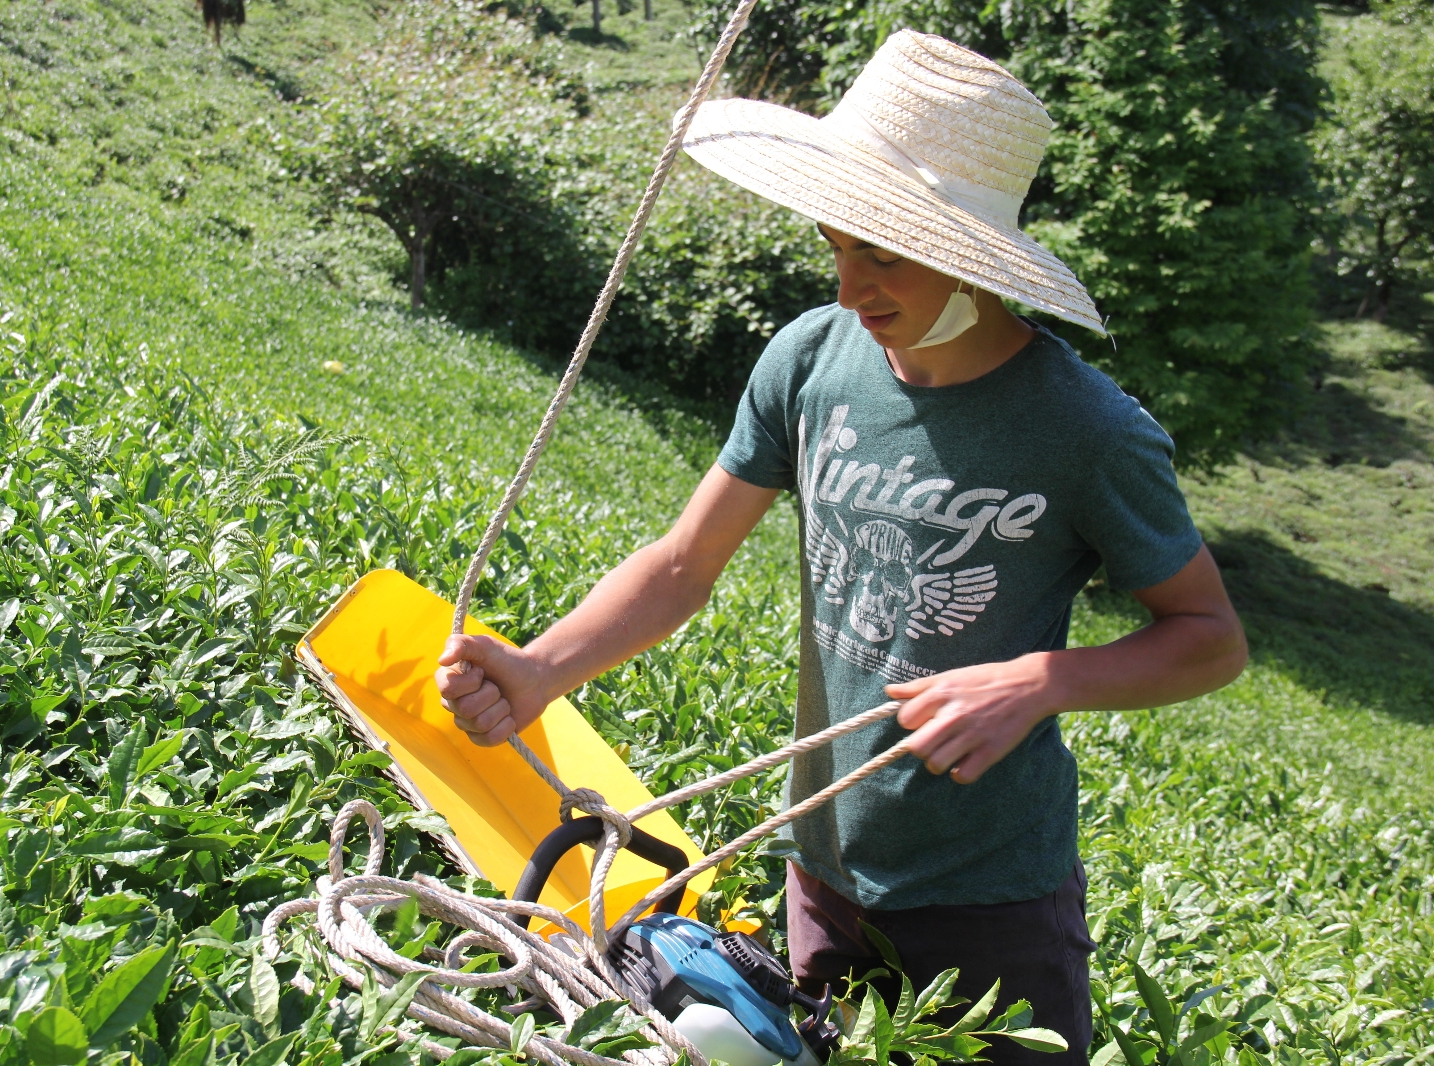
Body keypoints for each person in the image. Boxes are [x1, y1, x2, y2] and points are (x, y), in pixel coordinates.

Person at [435, 30, 1247, 1065]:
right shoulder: (811, 359)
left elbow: (1209, 637)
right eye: (837, 245)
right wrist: (541, 668)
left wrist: (1039, 680)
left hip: (986, 891)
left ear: (965, 251)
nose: (851, 283)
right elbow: (685, 561)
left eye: (884, 253)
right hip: (821, 863)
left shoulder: (1087, 431)